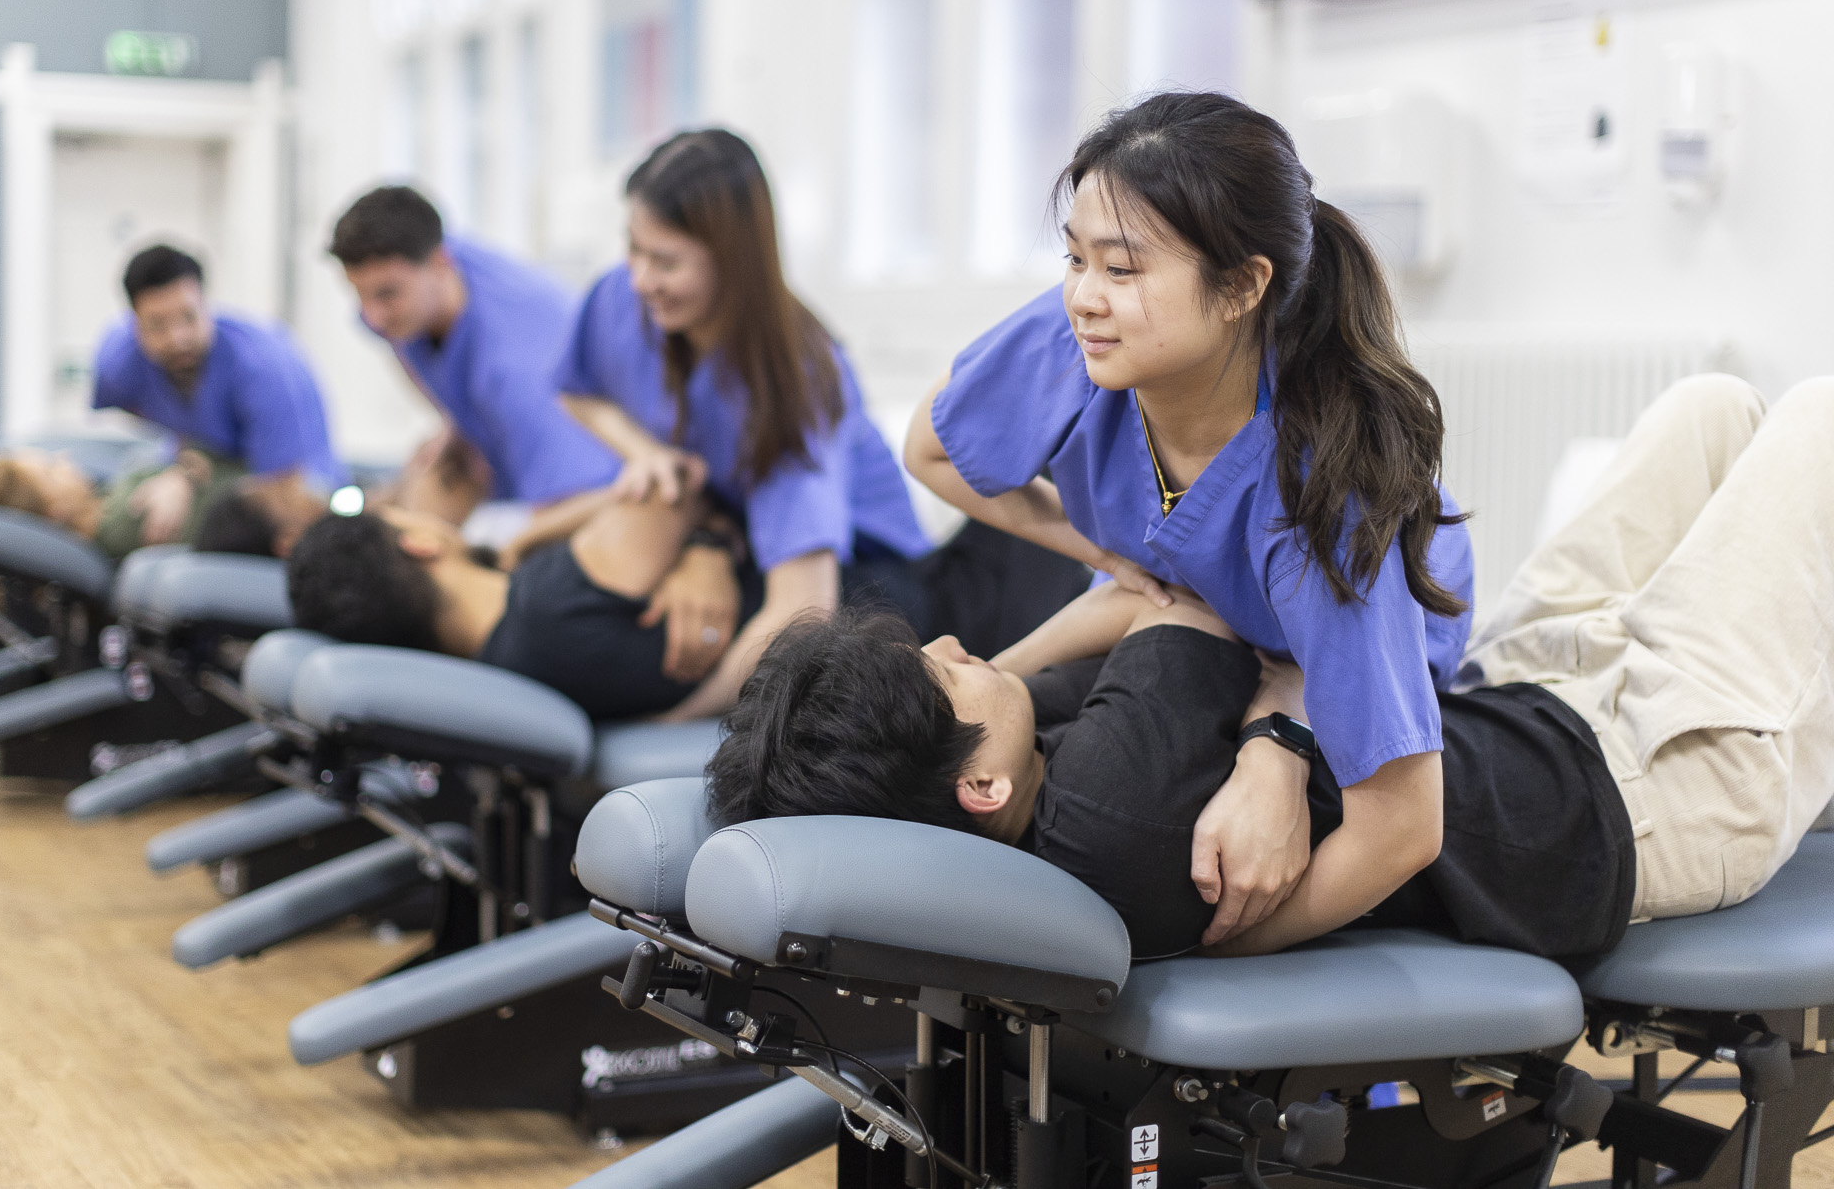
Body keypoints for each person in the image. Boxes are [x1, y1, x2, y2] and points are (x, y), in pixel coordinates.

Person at [710, 373, 1834, 962]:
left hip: (1509, 704)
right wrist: (1269, 726)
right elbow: (1193, 600)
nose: (955, 648)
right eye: (945, 675)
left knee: (1711, 411)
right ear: (976, 787)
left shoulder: (1032, 784)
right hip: (1640, 795)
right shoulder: (1105, 799)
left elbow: (1153, 608)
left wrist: (982, 674)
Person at [900, 92, 1472, 948]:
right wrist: (1098, 548)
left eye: (1122, 270)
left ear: (1242, 285)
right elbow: (932, 451)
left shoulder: (1319, 496)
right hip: (1190, 624)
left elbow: (1404, 830)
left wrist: (1216, 958)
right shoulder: (1085, 343)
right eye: (1074, 260)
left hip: (1335, 653)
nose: (1084, 297)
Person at [557, 129, 1090, 721]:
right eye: (632, 249)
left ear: (732, 261)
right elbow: (579, 394)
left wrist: (670, 728)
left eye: (666, 261)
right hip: (767, 558)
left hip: (874, 592)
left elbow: (800, 608)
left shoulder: (796, 379)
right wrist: (645, 453)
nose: (640, 279)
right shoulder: (621, 302)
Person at [284, 494, 746, 720]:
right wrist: (707, 547)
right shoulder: (551, 597)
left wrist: (525, 538)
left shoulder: (501, 666)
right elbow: (677, 479)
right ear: (420, 544)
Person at [327, 185, 622, 536]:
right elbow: (398, 342)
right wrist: (456, 424)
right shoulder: (417, 281)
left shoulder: (513, 369)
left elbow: (581, 509)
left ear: (440, 263)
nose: (372, 317)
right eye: (360, 296)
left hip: (600, 493)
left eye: (387, 295)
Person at [92, 244, 347, 545]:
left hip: (294, 487)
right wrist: (186, 465)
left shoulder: (266, 368)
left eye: (188, 317)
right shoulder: (118, 363)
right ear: (134, 323)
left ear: (205, 305)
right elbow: (139, 411)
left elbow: (289, 495)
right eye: (157, 325)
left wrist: (190, 476)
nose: (177, 338)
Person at [0, 447, 316, 558]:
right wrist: (190, 469)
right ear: (57, 511)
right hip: (295, 518)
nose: (65, 458)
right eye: (52, 469)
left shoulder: (116, 508)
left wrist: (184, 469)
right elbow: (250, 514)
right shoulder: (127, 520)